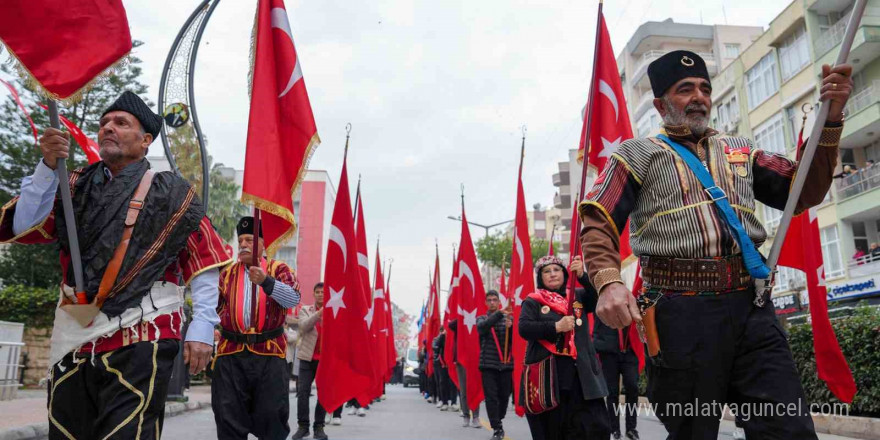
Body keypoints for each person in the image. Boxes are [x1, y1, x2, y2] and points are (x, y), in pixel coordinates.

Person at [580, 50, 851, 439]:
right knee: (692, 431)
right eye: (684, 89)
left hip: (751, 307)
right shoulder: (635, 154)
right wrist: (608, 281)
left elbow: (803, 190)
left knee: (789, 429)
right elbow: (597, 221)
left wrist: (833, 117)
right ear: (659, 104)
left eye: (704, 88)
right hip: (679, 312)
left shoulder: (741, 150)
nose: (698, 97)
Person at [0, 91, 230, 439]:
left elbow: (204, 259)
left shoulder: (172, 192)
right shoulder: (72, 182)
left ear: (146, 140)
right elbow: (22, 224)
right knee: (66, 433)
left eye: (121, 123)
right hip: (75, 335)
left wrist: (202, 329)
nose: (108, 128)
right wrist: (47, 168)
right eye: (104, 123)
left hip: (142, 331)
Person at [211, 217, 301, 439]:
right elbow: (213, 309)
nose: (243, 245)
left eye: (249, 240)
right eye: (241, 240)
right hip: (230, 354)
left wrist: (266, 281)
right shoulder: (226, 274)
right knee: (227, 418)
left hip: (269, 354)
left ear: (262, 244)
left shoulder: (279, 269)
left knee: (272, 418)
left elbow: (292, 299)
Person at [518, 255, 610, 439]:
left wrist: (583, 275)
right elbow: (524, 328)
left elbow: (599, 296)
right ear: (540, 277)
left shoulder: (577, 296)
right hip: (552, 377)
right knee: (556, 429)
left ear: (565, 273)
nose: (552, 274)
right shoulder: (533, 301)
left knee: (596, 426)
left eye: (557, 270)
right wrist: (556, 327)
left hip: (583, 374)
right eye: (546, 271)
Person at [292, 283, 329, 440]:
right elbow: (303, 326)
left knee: (323, 395)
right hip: (307, 358)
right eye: (318, 292)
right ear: (313, 294)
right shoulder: (306, 310)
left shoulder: (334, 310)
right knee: (303, 393)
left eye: (323, 292)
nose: (320, 294)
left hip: (325, 361)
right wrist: (318, 314)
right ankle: (303, 426)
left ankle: (319, 427)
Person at [593, 317, 640, 439]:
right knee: (612, 392)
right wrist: (598, 344)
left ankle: (631, 428)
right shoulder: (602, 298)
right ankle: (614, 429)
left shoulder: (632, 298)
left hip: (630, 350)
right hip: (609, 352)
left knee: (633, 387)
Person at [476, 290, 514, 440]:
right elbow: (482, 328)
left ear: (499, 302)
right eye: (489, 300)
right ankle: (497, 429)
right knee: (491, 398)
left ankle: (498, 418)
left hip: (505, 365)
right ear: (486, 303)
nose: (492, 302)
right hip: (488, 365)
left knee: (504, 397)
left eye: (494, 300)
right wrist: (499, 314)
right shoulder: (482, 318)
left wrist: (511, 328)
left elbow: (513, 342)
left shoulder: (507, 319)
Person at [448, 318, 481, 428]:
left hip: (474, 359)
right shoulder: (460, 318)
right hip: (461, 360)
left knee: (475, 388)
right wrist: (461, 315)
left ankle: (475, 416)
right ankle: (466, 415)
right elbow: (451, 325)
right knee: (463, 390)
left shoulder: (478, 317)